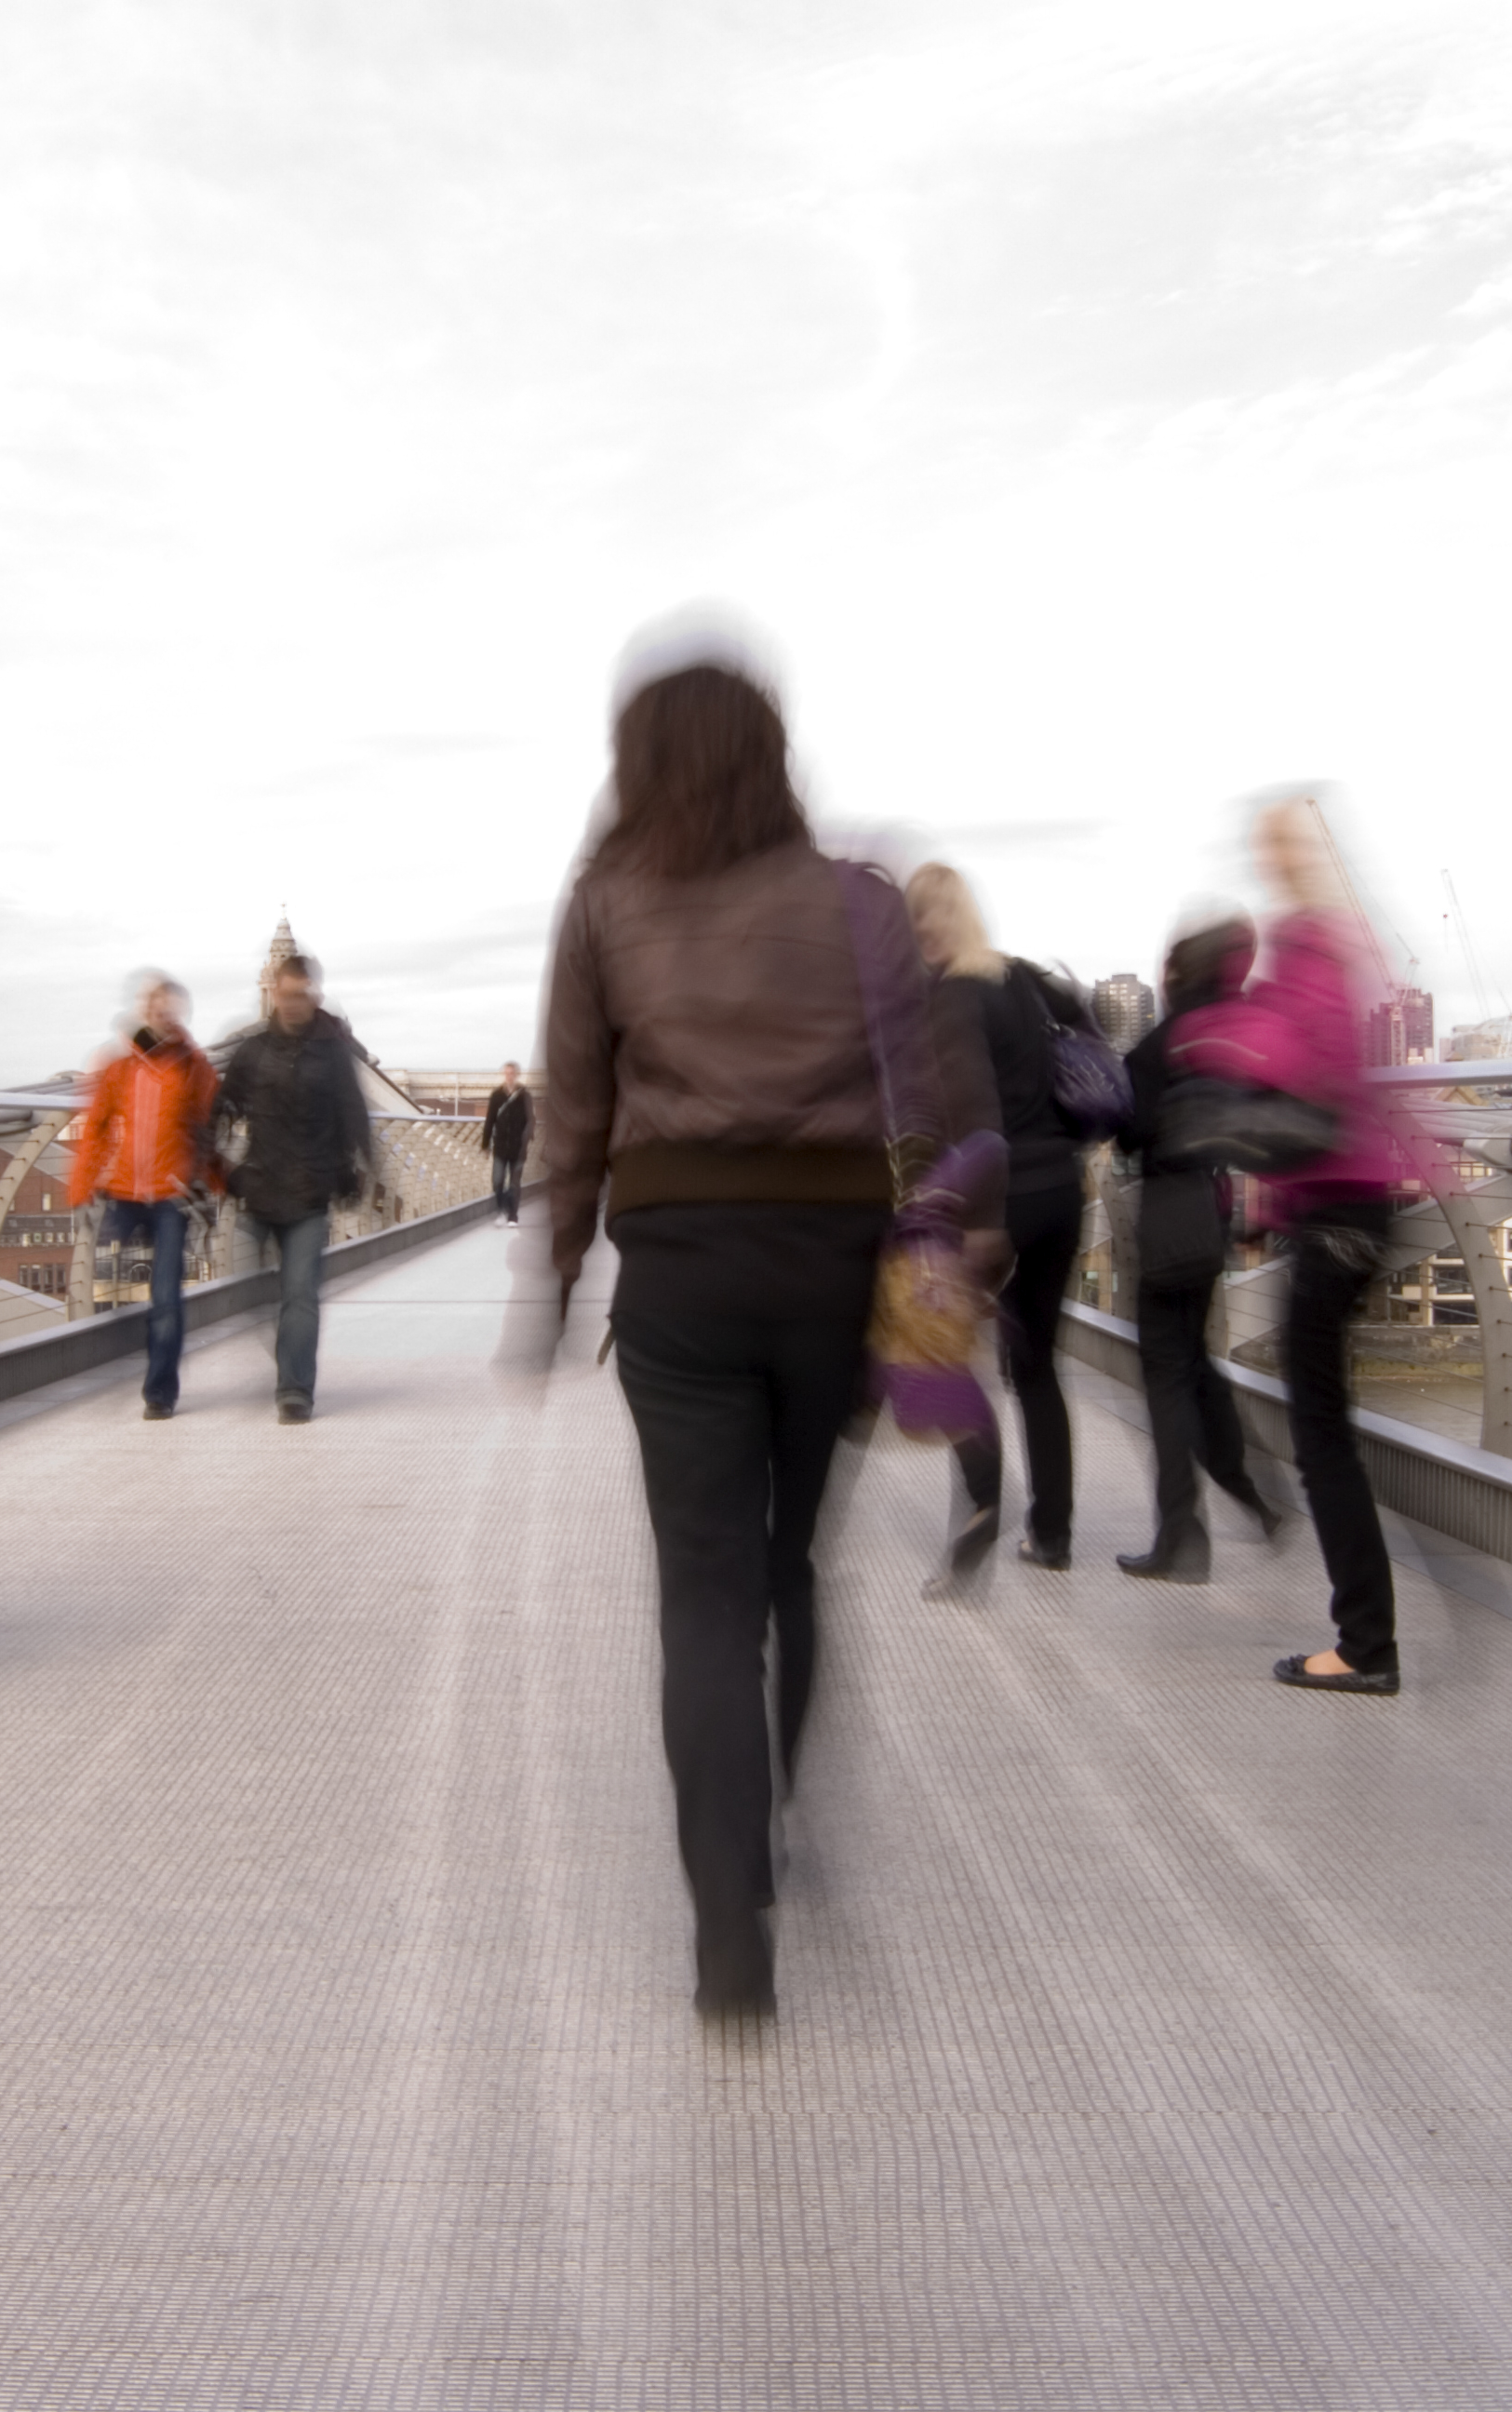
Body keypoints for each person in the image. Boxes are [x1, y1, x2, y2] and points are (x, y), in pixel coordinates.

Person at [528, 643, 977, 2019]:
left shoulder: (608, 901)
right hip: (834, 1274)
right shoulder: (860, 903)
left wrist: (553, 1277)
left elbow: (574, 1104)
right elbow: (940, 1094)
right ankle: (772, 1819)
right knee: (790, 1564)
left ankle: (728, 1913)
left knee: (702, 1591)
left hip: (681, 1279)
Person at [1169, 794, 1413, 1695]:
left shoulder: (1309, 941)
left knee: (1321, 1436)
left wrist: (1206, 1030)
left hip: (1343, 1213)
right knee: (1323, 1428)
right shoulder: (1337, 940)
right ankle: (1364, 1636)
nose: (1263, 851)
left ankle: (1365, 1645)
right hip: (1346, 1205)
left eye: (1274, 839)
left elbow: (1296, 1065)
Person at [905, 862, 1090, 1578]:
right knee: (1039, 1368)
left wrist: (981, 1224)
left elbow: (976, 1110)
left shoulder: (952, 993)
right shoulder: (1025, 979)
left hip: (1001, 1202)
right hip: (1062, 1194)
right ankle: (1052, 1534)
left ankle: (984, 1503)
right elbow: (1088, 1027)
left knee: (940, 1348)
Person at [1113, 909, 1283, 1582]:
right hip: (1216, 1212)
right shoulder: (1233, 1037)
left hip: (1167, 1216)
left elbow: (1129, 1135)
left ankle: (1181, 1537)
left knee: (1166, 1376)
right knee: (1197, 1365)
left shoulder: (1159, 1046)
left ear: (1178, 974)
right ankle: (1251, 1492)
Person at [215, 951, 373, 1422]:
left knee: (300, 1293)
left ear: (312, 996)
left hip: (308, 1190)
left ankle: (294, 1390)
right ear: (274, 996)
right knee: (249, 1291)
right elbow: (220, 1108)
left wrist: (361, 1168)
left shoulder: (333, 1054)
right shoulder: (252, 1051)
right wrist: (220, 1167)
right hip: (258, 1188)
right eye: (284, 996)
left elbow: (354, 1114)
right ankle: (289, 1351)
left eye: (299, 996)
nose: (290, 1005)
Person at [65, 973, 220, 1419]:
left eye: (165, 1002)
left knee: (167, 1299)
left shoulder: (193, 1067)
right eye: (149, 1001)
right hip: (123, 1192)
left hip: (172, 1197)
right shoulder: (119, 1068)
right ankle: (112, 1355)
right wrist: (81, 1184)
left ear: (177, 1012)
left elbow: (208, 1125)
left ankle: (159, 1394)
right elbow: (94, 1128)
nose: (156, 1008)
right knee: (98, 1285)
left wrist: (217, 1181)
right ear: (140, 1009)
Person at [482, 1062, 533, 1223]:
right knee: (497, 1181)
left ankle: (512, 1216)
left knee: (514, 1184)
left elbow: (531, 1119)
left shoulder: (525, 1095)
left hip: (518, 1147)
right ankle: (502, 1209)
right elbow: (490, 1120)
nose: (509, 1076)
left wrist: (526, 1139)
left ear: (517, 1075)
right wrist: (485, 1145)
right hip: (501, 1146)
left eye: (512, 1073)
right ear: (504, 1075)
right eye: (507, 1073)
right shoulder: (496, 1095)